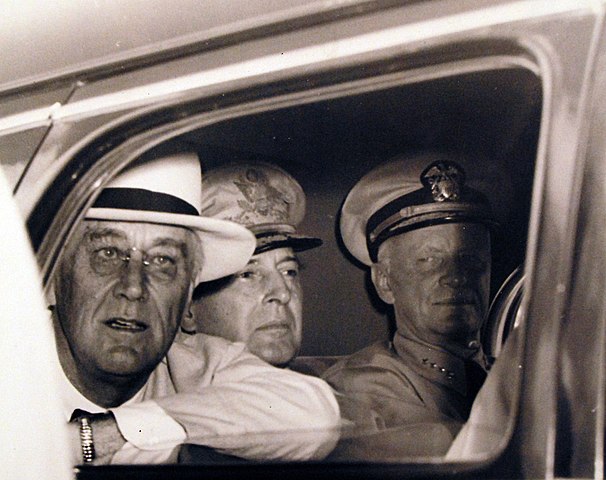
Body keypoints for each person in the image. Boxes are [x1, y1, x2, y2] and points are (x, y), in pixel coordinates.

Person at [51, 152, 340, 465]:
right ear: (56, 276)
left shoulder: (192, 364)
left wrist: (108, 434)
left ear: (188, 291)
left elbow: (315, 415)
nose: (133, 287)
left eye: (163, 261)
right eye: (108, 253)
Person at [321, 151, 496, 457]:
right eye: (429, 260)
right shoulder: (362, 386)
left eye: (470, 258)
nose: (456, 277)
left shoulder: (511, 369)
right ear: (385, 282)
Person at [189, 161, 321, 368]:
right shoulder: (172, 399)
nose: (283, 294)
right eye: (248, 274)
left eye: (289, 272)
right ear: (188, 309)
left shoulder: (323, 392)